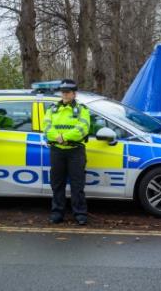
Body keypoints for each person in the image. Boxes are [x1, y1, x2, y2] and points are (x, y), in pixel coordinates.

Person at [44, 79, 91, 225]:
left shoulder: (82, 109)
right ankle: (57, 213)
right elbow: (46, 128)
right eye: (63, 92)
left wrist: (63, 137)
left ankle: (80, 214)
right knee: (57, 184)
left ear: (74, 94)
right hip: (57, 150)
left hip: (75, 151)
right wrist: (58, 139)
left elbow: (82, 129)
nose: (64, 94)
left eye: (68, 92)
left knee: (77, 185)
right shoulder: (52, 109)